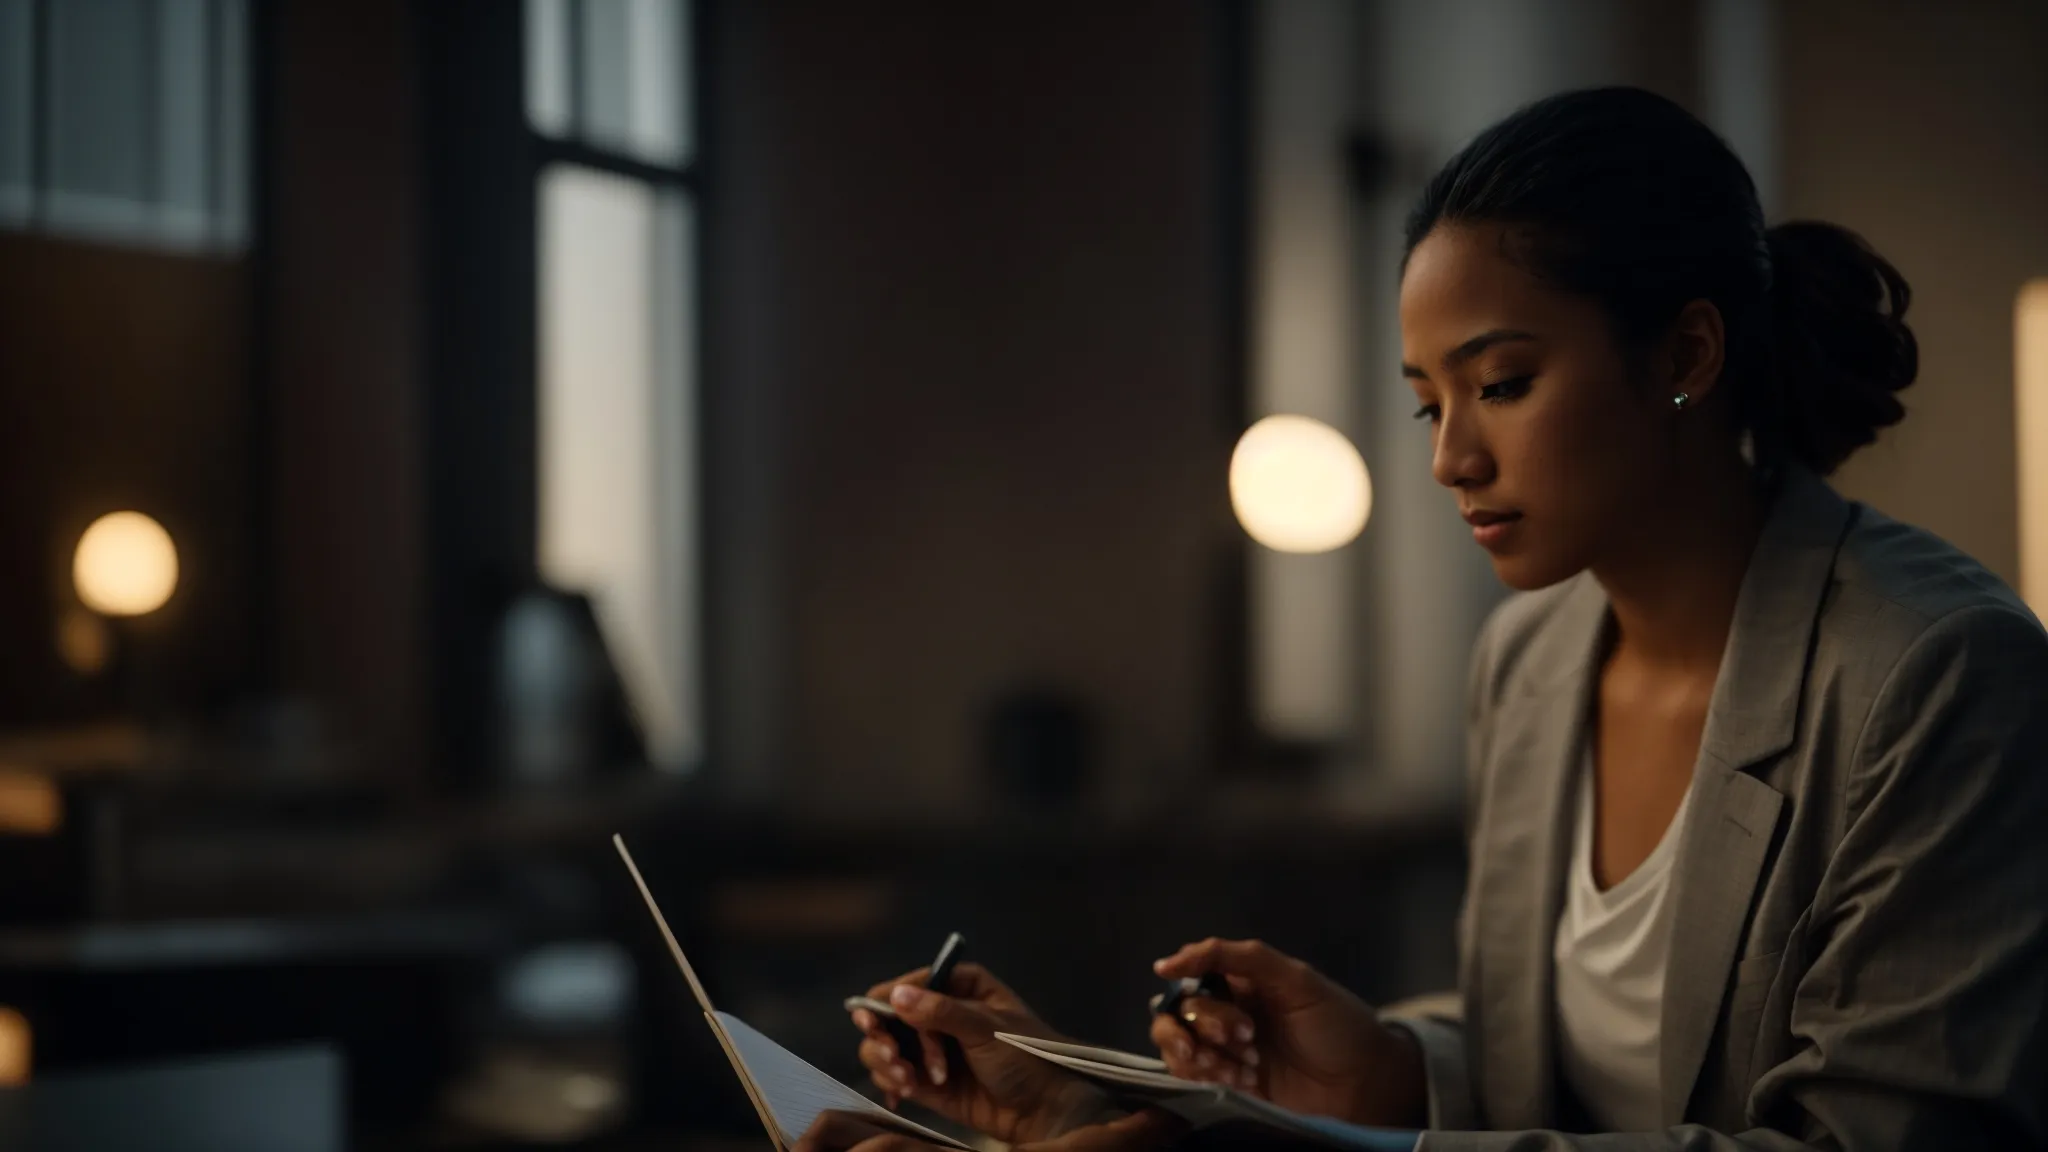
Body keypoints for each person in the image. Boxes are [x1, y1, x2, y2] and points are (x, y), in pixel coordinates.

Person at [803, 86, 2048, 1152]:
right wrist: (1386, 1072)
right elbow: (1556, 1079)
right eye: (1425, 405)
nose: (1451, 458)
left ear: (1684, 350)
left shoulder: (1933, 675)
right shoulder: (1529, 660)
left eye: (1501, 384)